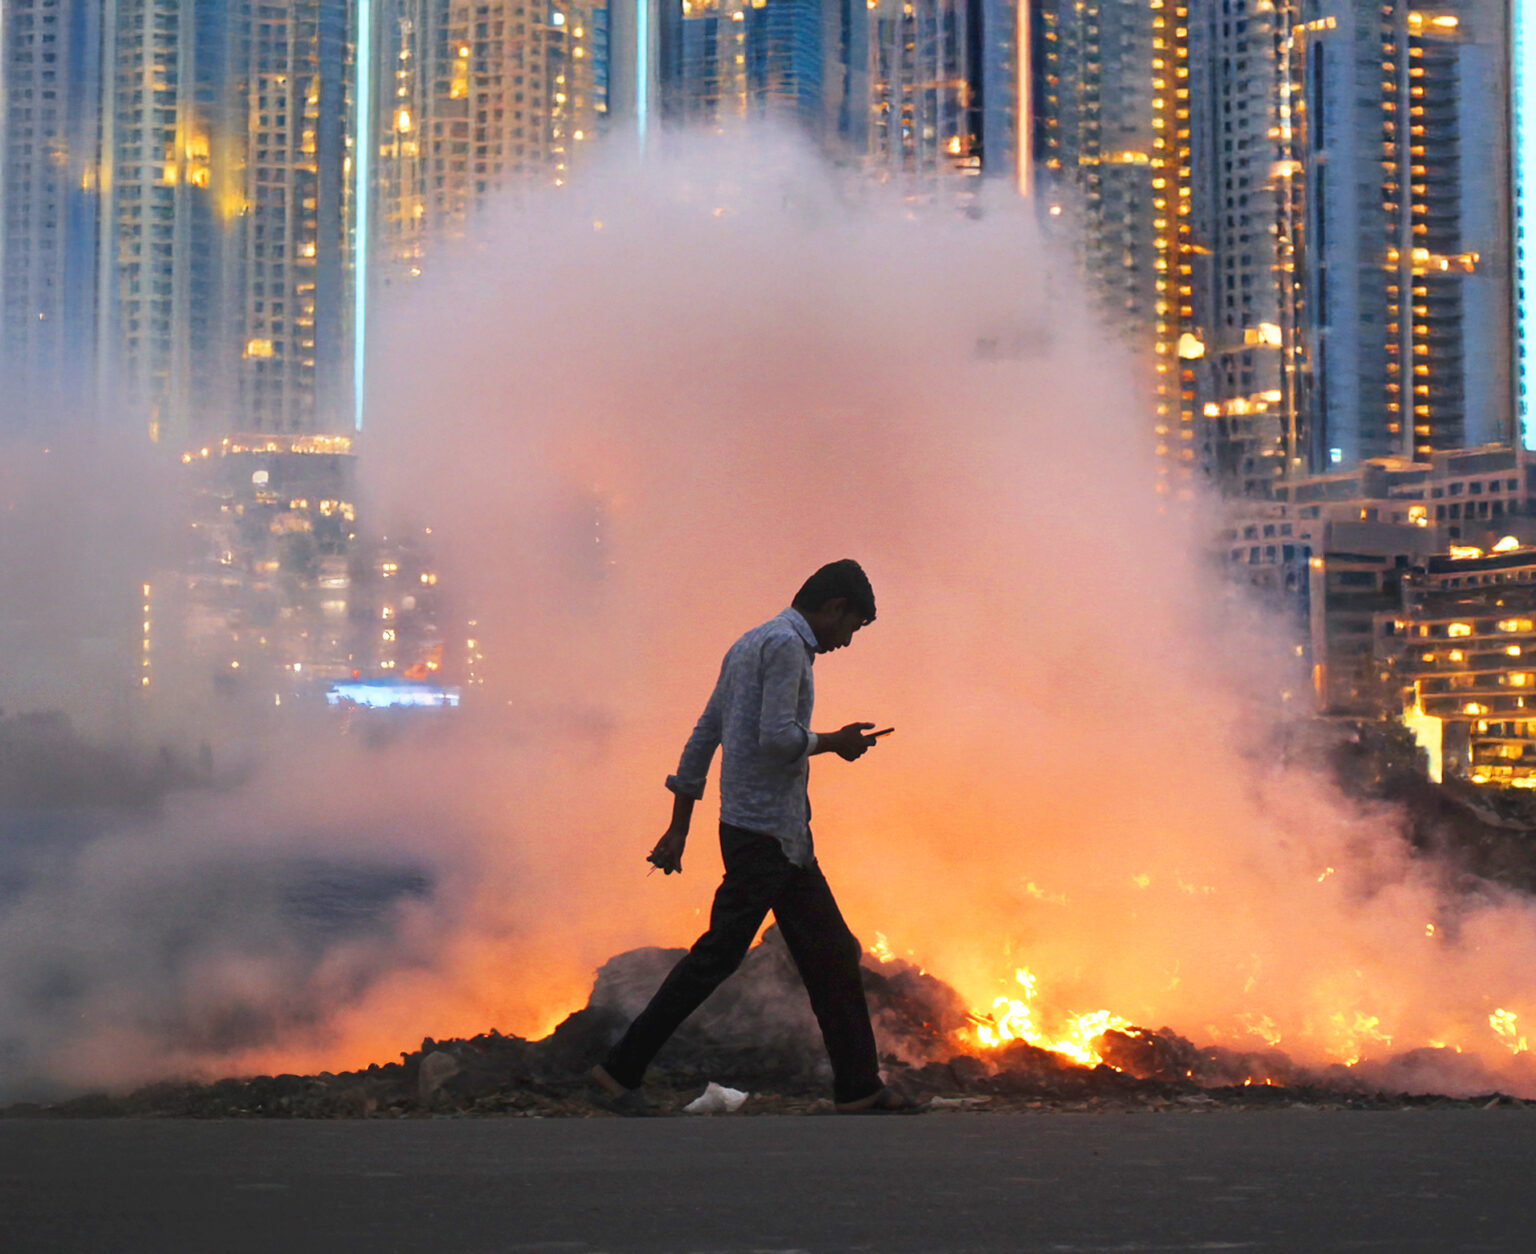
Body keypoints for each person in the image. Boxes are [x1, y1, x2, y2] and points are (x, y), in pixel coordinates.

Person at [589, 559, 920, 1114]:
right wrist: (835, 742)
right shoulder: (789, 647)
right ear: (835, 608)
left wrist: (679, 827)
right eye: (852, 628)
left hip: (774, 838)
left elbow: (704, 734)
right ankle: (619, 1071)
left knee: (833, 953)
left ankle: (859, 1087)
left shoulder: (748, 644)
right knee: (717, 957)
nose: (847, 642)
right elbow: (776, 740)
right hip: (766, 837)